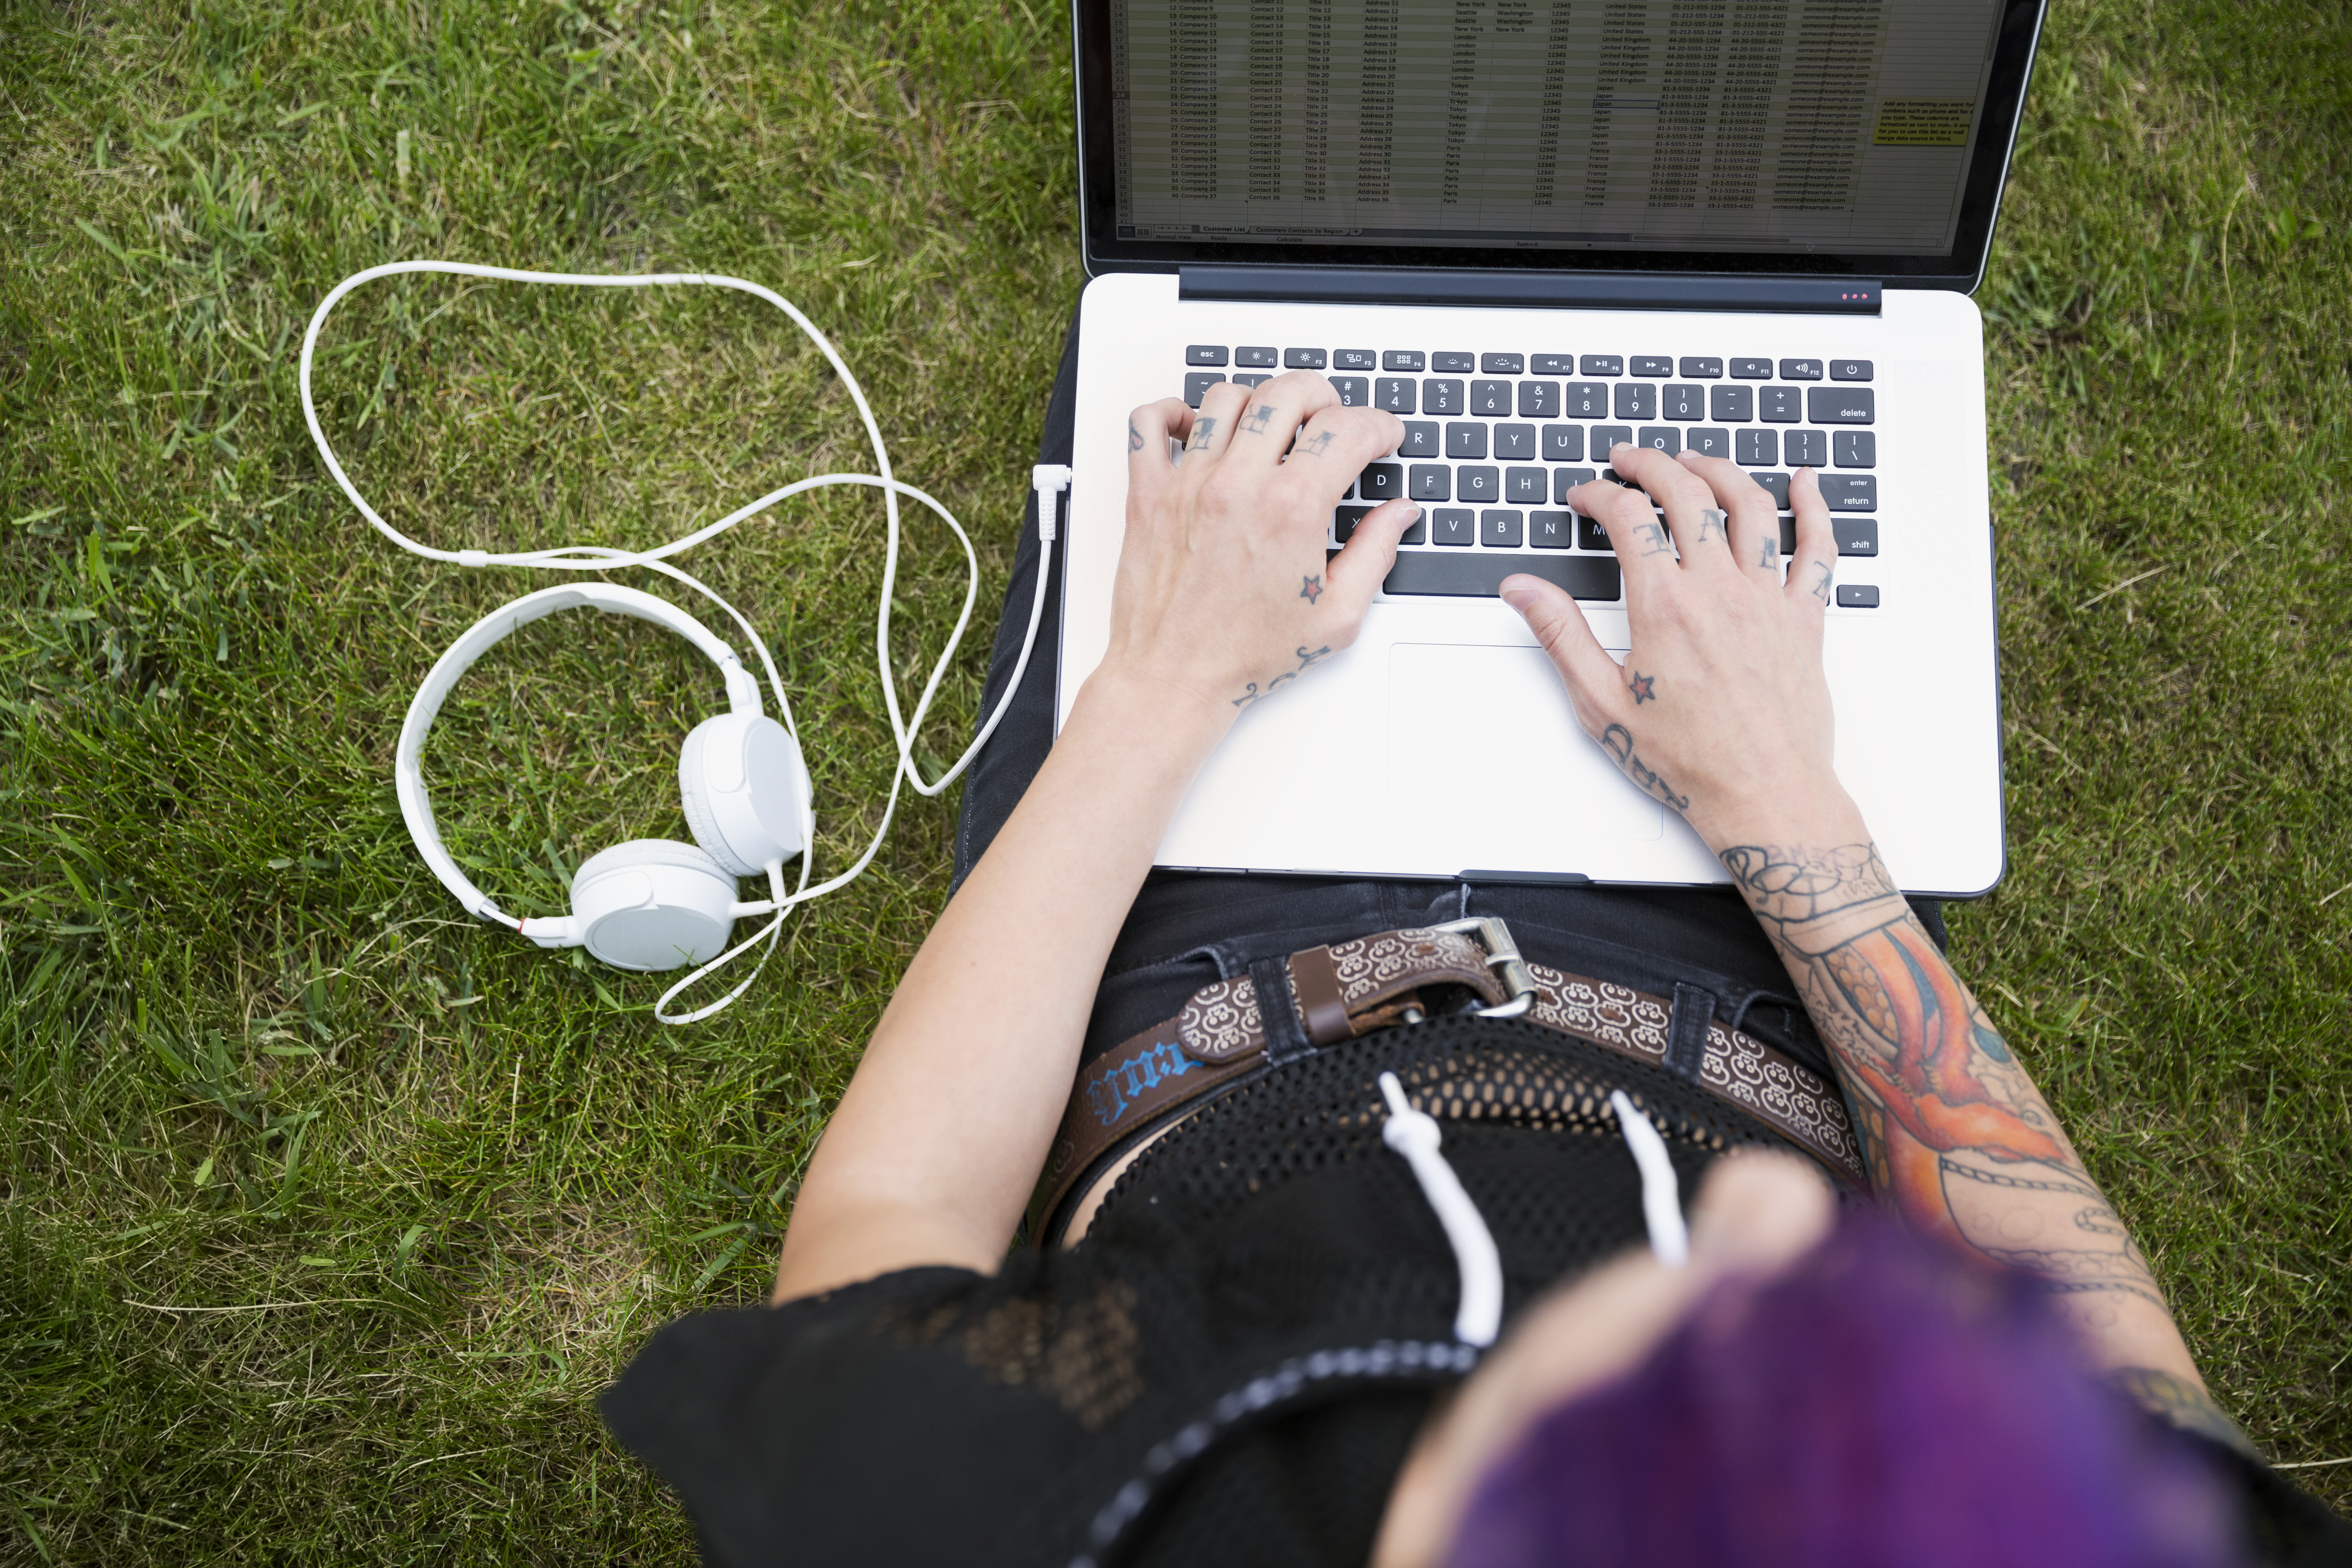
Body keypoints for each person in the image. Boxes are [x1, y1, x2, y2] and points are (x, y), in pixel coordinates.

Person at [600, 323, 2351, 1567]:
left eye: (1768, 1367)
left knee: (1188, 394)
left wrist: (1158, 688)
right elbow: (2112, 1348)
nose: (1763, 1214)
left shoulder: (984, 1518)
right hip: (1750, 971)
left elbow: (888, 1233)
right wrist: (1786, 809)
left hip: (1190, 1005)